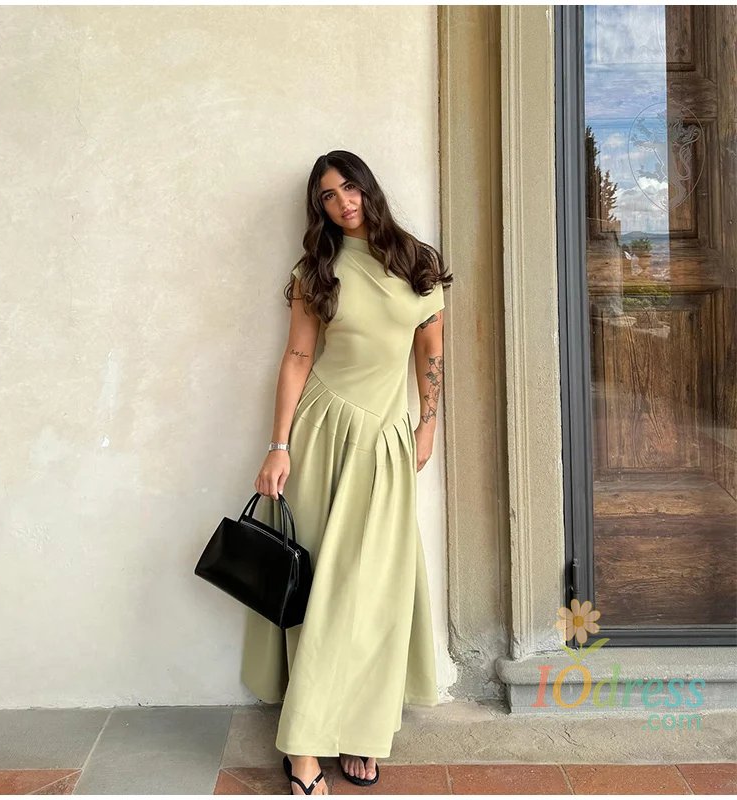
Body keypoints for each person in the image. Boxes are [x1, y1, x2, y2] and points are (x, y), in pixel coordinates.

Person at [241, 150, 452, 795]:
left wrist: (427, 424)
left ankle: (363, 725)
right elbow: (296, 358)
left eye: (349, 188)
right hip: (324, 433)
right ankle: (303, 748)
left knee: (374, 591)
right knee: (319, 588)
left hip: (387, 440)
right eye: (328, 197)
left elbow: (431, 350)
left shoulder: (418, 262)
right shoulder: (316, 271)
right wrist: (278, 445)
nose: (343, 203)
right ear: (320, 209)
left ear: (368, 188)